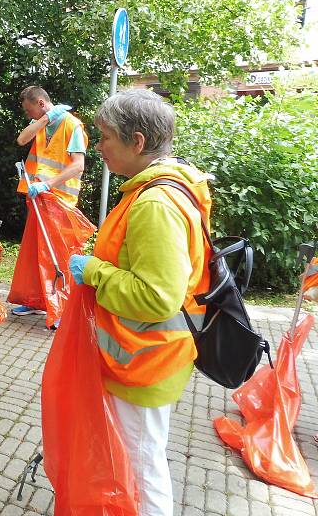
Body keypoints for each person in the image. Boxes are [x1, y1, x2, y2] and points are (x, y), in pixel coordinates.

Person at [68, 89, 212, 516]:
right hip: (148, 357)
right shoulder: (160, 187)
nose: (98, 147)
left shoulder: (155, 203)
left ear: (137, 141)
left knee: (144, 462)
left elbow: (157, 296)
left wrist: (94, 272)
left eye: (106, 137)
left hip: (147, 361)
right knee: (142, 455)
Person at [10, 85, 87, 320]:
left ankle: (62, 309)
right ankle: (36, 301)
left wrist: (47, 184)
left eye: (28, 109)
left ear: (41, 103)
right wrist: (45, 118)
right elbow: (22, 139)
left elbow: (78, 165)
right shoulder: (44, 124)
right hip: (40, 200)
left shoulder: (72, 125)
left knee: (59, 254)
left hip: (61, 201)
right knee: (35, 253)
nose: (27, 114)